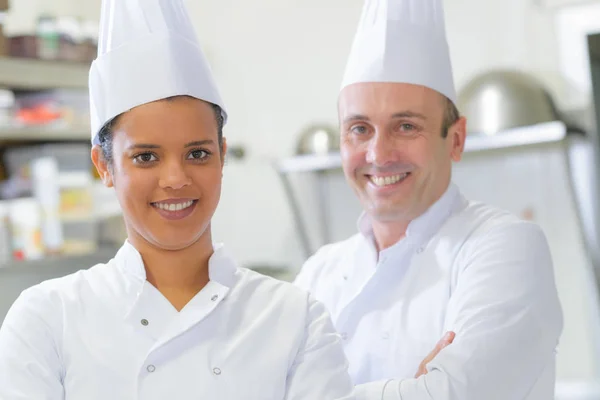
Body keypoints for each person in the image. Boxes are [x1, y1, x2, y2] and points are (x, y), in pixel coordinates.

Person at [0, 1, 355, 399]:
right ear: (104, 165)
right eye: (146, 157)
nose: (175, 179)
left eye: (198, 153)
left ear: (222, 154)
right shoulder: (47, 320)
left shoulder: (295, 319)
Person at [293, 0, 564, 398]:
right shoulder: (319, 274)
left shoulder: (503, 247)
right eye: (359, 129)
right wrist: (414, 387)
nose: (378, 154)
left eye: (405, 126)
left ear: (455, 139)